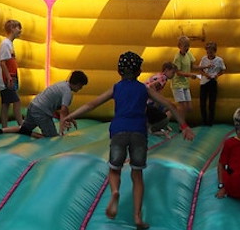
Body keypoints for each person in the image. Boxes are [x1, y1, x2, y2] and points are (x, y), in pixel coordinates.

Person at [61, 51, 195, 230]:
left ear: (119, 71)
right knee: (137, 174)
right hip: (139, 132)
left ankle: (115, 191)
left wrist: (69, 116)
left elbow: (92, 104)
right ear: (139, 71)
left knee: (114, 169)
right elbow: (170, 105)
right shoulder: (144, 88)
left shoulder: (116, 88)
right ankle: (137, 217)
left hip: (119, 131)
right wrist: (184, 127)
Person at [0, 70, 88, 137]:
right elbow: (63, 110)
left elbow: (60, 108)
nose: (80, 88)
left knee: (23, 129)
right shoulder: (67, 91)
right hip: (41, 112)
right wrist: (61, 129)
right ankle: (34, 134)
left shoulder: (62, 84)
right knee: (52, 138)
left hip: (33, 106)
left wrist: (69, 118)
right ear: (77, 83)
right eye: (81, 86)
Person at [172, 35, 211, 121]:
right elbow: (178, 72)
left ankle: (172, 110)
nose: (187, 48)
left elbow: (192, 66)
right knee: (183, 106)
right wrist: (190, 75)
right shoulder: (177, 57)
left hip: (185, 84)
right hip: (178, 84)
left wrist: (204, 67)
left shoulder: (188, 54)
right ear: (179, 46)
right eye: (185, 46)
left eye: (188, 46)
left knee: (189, 108)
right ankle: (182, 125)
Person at [0, 19, 24, 128]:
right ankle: (21, 124)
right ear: (12, 29)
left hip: (8, 77)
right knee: (17, 101)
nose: (20, 31)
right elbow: (2, 63)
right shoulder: (5, 44)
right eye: (18, 28)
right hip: (6, 79)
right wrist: (9, 78)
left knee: (5, 104)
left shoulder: (9, 44)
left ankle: (4, 127)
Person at [145, 62, 178, 135]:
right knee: (172, 107)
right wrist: (156, 99)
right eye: (172, 73)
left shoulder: (159, 75)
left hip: (145, 99)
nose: (174, 75)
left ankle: (157, 125)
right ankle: (157, 127)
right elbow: (151, 86)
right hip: (149, 100)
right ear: (166, 70)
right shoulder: (163, 78)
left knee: (160, 109)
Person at [198, 41, 227, 126]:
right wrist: (205, 74)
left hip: (212, 82)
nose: (209, 54)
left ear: (215, 51)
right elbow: (200, 69)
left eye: (211, 52)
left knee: (212, 103)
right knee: (202, 103)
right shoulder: (204, 59)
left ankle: (210, 121)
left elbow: (223, 70)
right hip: (204, 82)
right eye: (207, 52)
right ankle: (204, 120)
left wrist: (217, 75)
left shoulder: (219, 60)